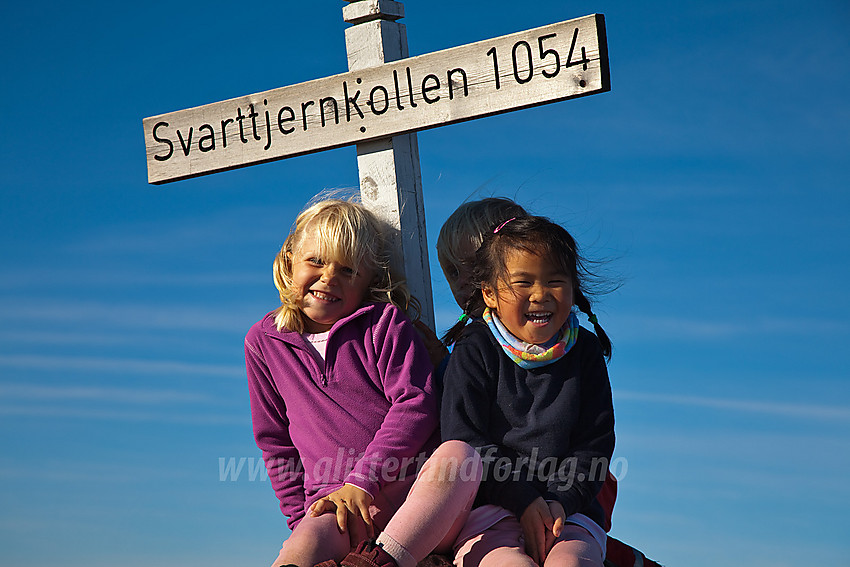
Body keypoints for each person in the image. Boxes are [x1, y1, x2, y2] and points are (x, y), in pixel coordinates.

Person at [245, 198, 482, 567]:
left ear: (370, 280)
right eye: (316, 261)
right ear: (289, 260)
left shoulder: (384, 324)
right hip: (336, 505)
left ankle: (378, 561)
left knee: (460, 458)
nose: (329, 278)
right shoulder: (263, 343)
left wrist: (364, 479)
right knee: (300, 551)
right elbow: (275, 442)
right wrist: (300, 521)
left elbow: (416, 402)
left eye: (348, 270)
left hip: (413, 496)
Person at [440, 214, 615, 567]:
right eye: (523, 282)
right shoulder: (475, 349)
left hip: (570, 515)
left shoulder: (585, 352)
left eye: (554, 280)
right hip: (491, 512)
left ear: (572, 286)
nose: (540, 294)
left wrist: (559, 502)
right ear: (489, 292)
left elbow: (593, 444)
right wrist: (522, 499)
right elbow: (465, 441)